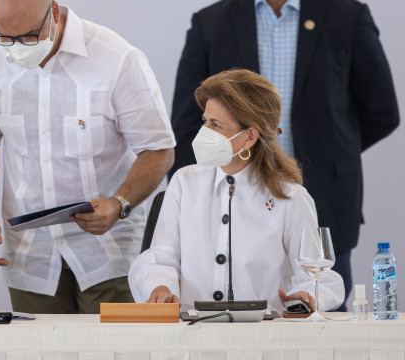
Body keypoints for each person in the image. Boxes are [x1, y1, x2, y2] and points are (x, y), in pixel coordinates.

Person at [170, 0, 399, 308]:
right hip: (235, 195)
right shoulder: (212, 22)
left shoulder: (346, 16)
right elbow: (188, 118)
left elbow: (382, 110)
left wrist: (330, 150)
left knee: (318, 306)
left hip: (325, 194)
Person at [0, 0, 176, 314]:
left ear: (54, 11)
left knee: (112, 345)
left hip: (109, 252)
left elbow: (158, 150)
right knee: (39, 345)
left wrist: (119, 203)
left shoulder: (116, 58)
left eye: (29, 35)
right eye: (6, 37)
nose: (18, 48)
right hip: (30, 256)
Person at [131, 69, 345, 312]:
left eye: (216, 124)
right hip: (191, 328)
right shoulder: (184, 182)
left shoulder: (290, 198)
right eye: (205, 121)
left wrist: (307, 296)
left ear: (249, 137)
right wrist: (160, 287)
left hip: (262, 330)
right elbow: (161, 258)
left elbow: (317, 276)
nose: (204, 132)